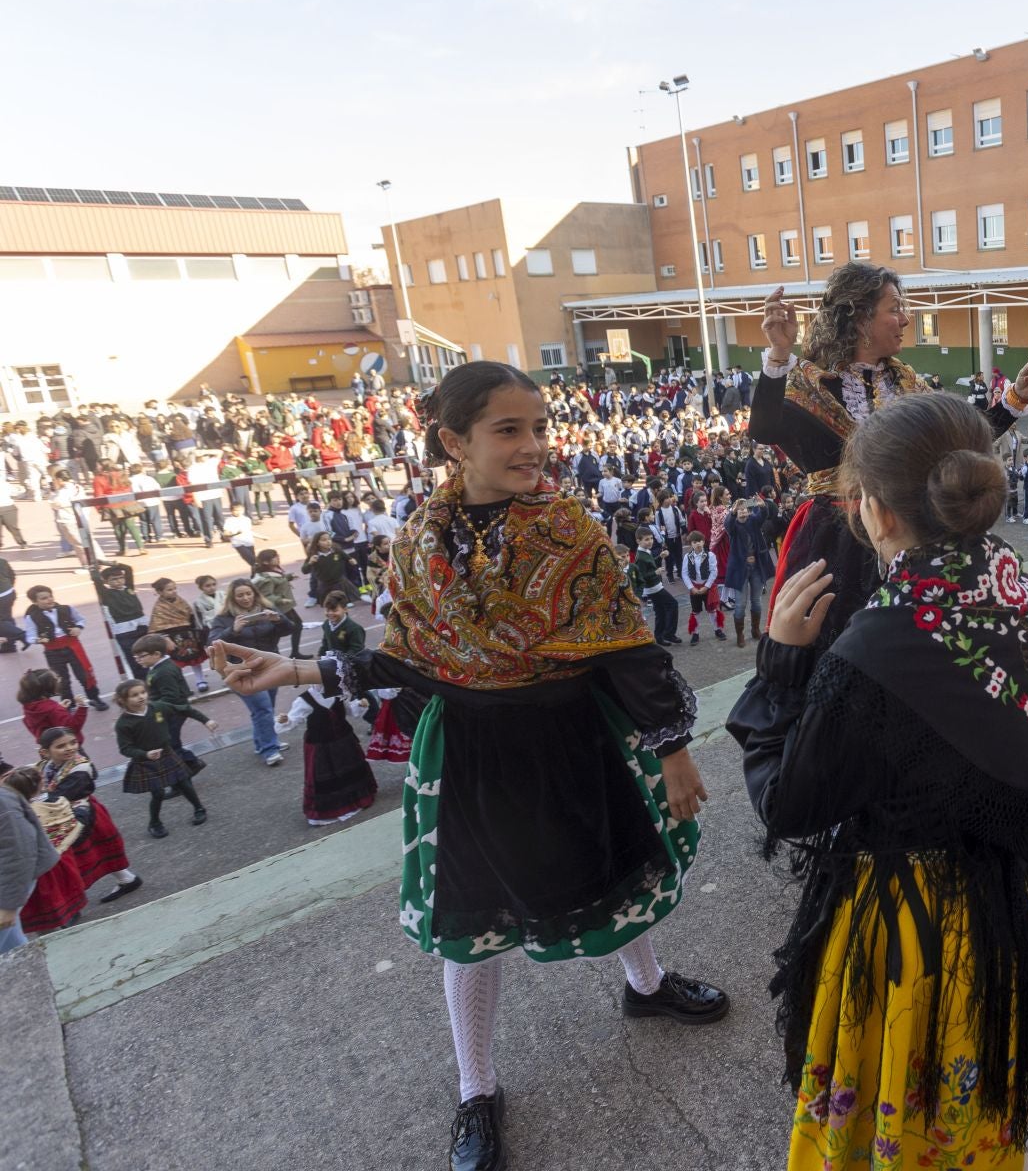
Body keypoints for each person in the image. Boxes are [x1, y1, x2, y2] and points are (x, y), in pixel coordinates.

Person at [211, 360, 724, 1171]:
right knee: (473, 923)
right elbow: (412, 661)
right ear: (455, 441)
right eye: (509, 430)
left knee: (619, 865)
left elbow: (629, 649)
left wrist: (672, 751)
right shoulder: (418, 542)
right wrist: (293, 671)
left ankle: (647, 986)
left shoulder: (573, 531)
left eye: (541, 427)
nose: (534, 448)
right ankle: (475, 1088)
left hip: (573, 736)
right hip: (473, 754)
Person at [727, 391, 1028, 1169]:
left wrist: (779, 666)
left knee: (899, 1112)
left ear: (873, 513)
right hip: (1010, 901)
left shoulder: (871, 649)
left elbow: (791, 804)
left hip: (908, 931)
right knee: (979, 1102)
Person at [750, 266, 1028, 645]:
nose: (906, 319)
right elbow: (764, 429)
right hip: (838, 542)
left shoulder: (906, 381)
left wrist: (1015, 397)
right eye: (895, 309)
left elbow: (958, 439)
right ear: (859, 318)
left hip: (910, 529)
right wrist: (778, 354)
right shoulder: (811, 381)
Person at [37, 726, 142, 903]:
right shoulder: (46, 766)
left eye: (73, 742)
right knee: (97, 851)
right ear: (45, 752)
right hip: (70, 815)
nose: (70, 748)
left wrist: (37, 799)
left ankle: (71, 902)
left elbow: (61, 796)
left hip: (81, 816)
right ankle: (127, 879)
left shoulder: (80, 769)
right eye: (61, 746)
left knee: (78, 856)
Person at [209, 580, 293, 765]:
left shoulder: (266, 609)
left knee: (264, 709)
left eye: (249, 593)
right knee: (263, 709)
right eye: (240, 595)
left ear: (255, 593)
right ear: (232, 598)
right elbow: (212, 643)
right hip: (241, 671)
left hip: (270, 667)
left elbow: (290, 629)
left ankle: (261, 742)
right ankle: (270, 749)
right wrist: (233, 630)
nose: (246, 598)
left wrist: (279, 620)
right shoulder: (223, 618)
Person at [114, 678, 209, 839]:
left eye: (143, 692)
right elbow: (125, 749)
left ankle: (199, 809)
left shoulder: (157, 707)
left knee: (184, 783)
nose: (141, 697)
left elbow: (184, 709)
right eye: (134, 695)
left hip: (167, 753)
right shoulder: (123, 724)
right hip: (145, 761)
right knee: (157, 793)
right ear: (123, 700)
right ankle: (155, 823)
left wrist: (206, 720)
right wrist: (145, 754)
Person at [281, 685, 378, 826]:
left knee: (350, 770)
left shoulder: (338, 692)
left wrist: (359, 705)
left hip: (344, 740)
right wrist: (286, 720)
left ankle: (357, 799)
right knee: (325, 776)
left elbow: (349, 710)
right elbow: (294, 719)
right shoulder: (304, 700)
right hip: (320, 745)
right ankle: (332, 809)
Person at [0, 765, 69, 951]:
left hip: (9, 881)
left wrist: (8, 906)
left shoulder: (4, 805)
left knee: (7, 939)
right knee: (11, 943)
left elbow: (18, 854)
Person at [130, 635, 214, 772]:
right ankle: (190, 764)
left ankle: (186, 769)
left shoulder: (164, 672)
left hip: (173, 713)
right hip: (169, 711)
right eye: (135, 658)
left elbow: (171, 698)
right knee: (170, 744)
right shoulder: (157, 668)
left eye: (141, 656)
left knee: (170, 745)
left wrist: (151, 709)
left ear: (156, 654)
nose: (138, 660)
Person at [20, 584, 107, 710]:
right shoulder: (31, 618)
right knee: (62, 680)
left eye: (50, 596)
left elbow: (80, 620)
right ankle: (68, 704)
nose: (49, 600)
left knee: (84, 674)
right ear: (35, 602)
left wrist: (78, 627)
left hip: (73, 647)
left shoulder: (66, 609)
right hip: (52, 651)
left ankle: (94, 698)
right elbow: (30, 636)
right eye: (44, 598)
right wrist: (38, 640)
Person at [721, 497, 773, 647]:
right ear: (736, 512)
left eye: (745, 509)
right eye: (740, 509)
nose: (743, 511)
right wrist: (732, 512)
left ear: (749, 511)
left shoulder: (753, 522)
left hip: (756, 567)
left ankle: (755, 630)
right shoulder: (734, 526)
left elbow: (762, 515)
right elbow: (728, 524)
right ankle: (740, 635)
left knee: (756, 601)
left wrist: (763, 507)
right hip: (740, 569)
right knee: (740, 604)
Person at [147, 577, 209, 694]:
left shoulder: (181, 601)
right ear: (160, 592)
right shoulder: (159, 608)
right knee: (177, 662)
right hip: (172, 638)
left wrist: (195, 631)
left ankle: (200, 680)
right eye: (169, 590)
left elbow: (190, 615)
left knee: (194, 658)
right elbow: (156, 626)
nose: (174, 591)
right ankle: (182, 686)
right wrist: (165, 638)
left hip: (188, 633)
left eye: (175, 588)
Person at [628, 532, 681, 645]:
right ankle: (669, 633)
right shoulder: (640, 557)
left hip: (654, 586)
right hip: (653, 588)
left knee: (660, 611)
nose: (650, 541)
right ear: (638, 541)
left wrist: (659, 557)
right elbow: (641, 576)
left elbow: (650, 564)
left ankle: (659, 637)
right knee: (673, 604)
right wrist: (655, 573)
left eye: (651, 538)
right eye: (646, 539)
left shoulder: (645, 552)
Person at [94, 562, 148, 674]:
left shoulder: (129, 588)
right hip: (124, 630)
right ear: (106, 582)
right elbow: (96, 580)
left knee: (149, 651)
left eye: (121, 578)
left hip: (141, 625)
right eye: (114, 579)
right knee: (134, 657)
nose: (119, 581)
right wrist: (94, 569)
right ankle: (141, 681)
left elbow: (128, 568)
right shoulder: (106, 594)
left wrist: (112, 564)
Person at [681, 531, 723, 645]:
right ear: (691, 544)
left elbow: (714, 572)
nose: (698, 544)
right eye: (695, 542)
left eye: (700, 541)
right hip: (694, 587)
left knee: (712, 609)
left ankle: (717, 629)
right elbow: (684, 573)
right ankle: (695, 633)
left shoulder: (710, 555)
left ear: (704, 542)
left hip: (707, 587)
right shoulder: (687, 557)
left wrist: (706, 586)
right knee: (696, 611)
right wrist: (691, 587)